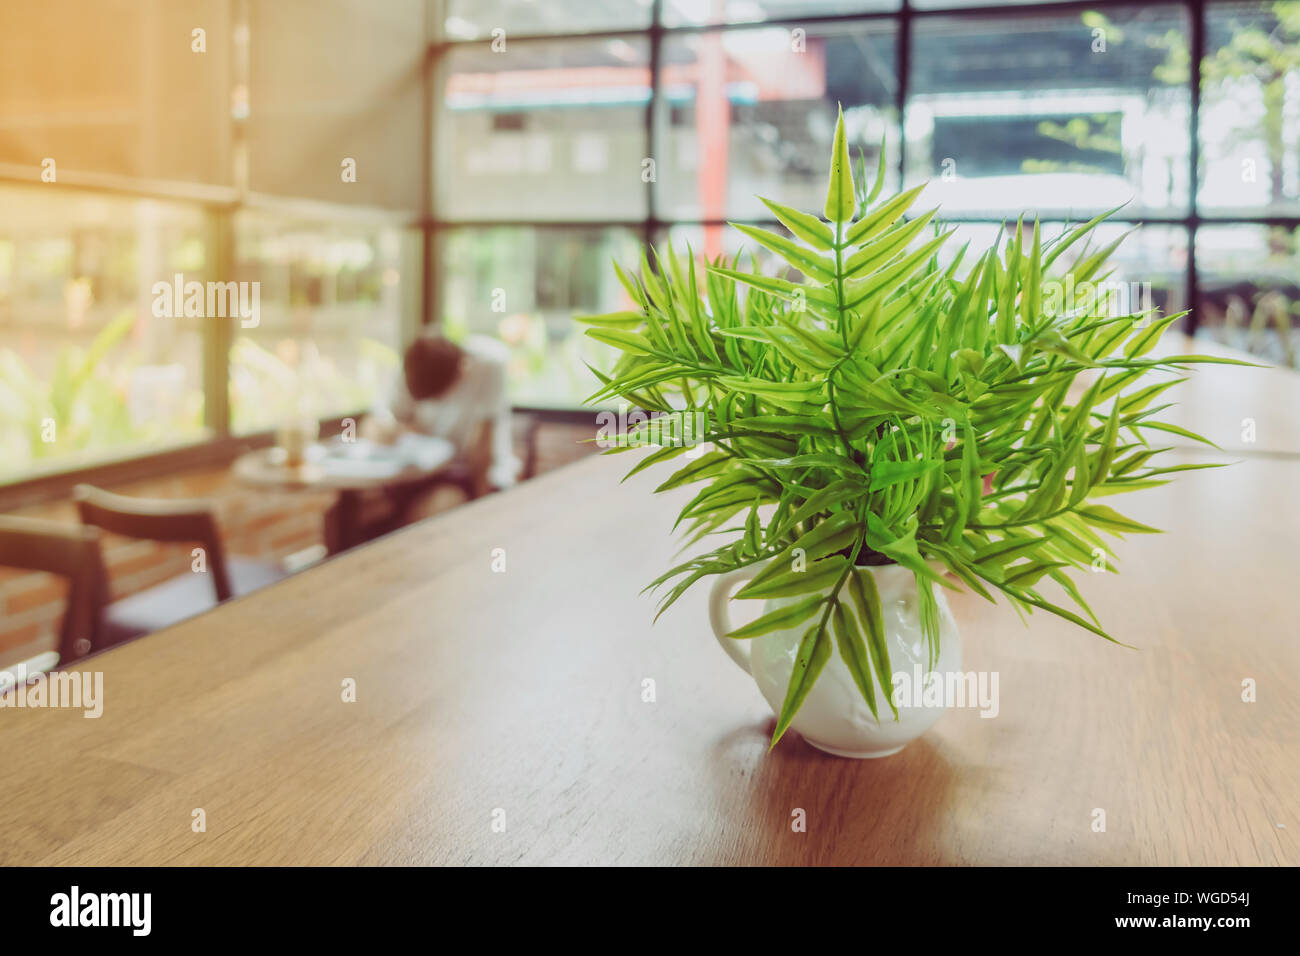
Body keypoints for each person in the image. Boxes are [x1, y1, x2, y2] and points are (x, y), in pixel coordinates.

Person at [368, 333, 519, 495]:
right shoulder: (412, 368)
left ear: (462, 370)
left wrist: (479, 501)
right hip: (420, 471)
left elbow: (482, 449)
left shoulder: (489, 363)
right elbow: (377, 425)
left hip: (463, 472)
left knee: (437, 506)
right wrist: (393, 431)